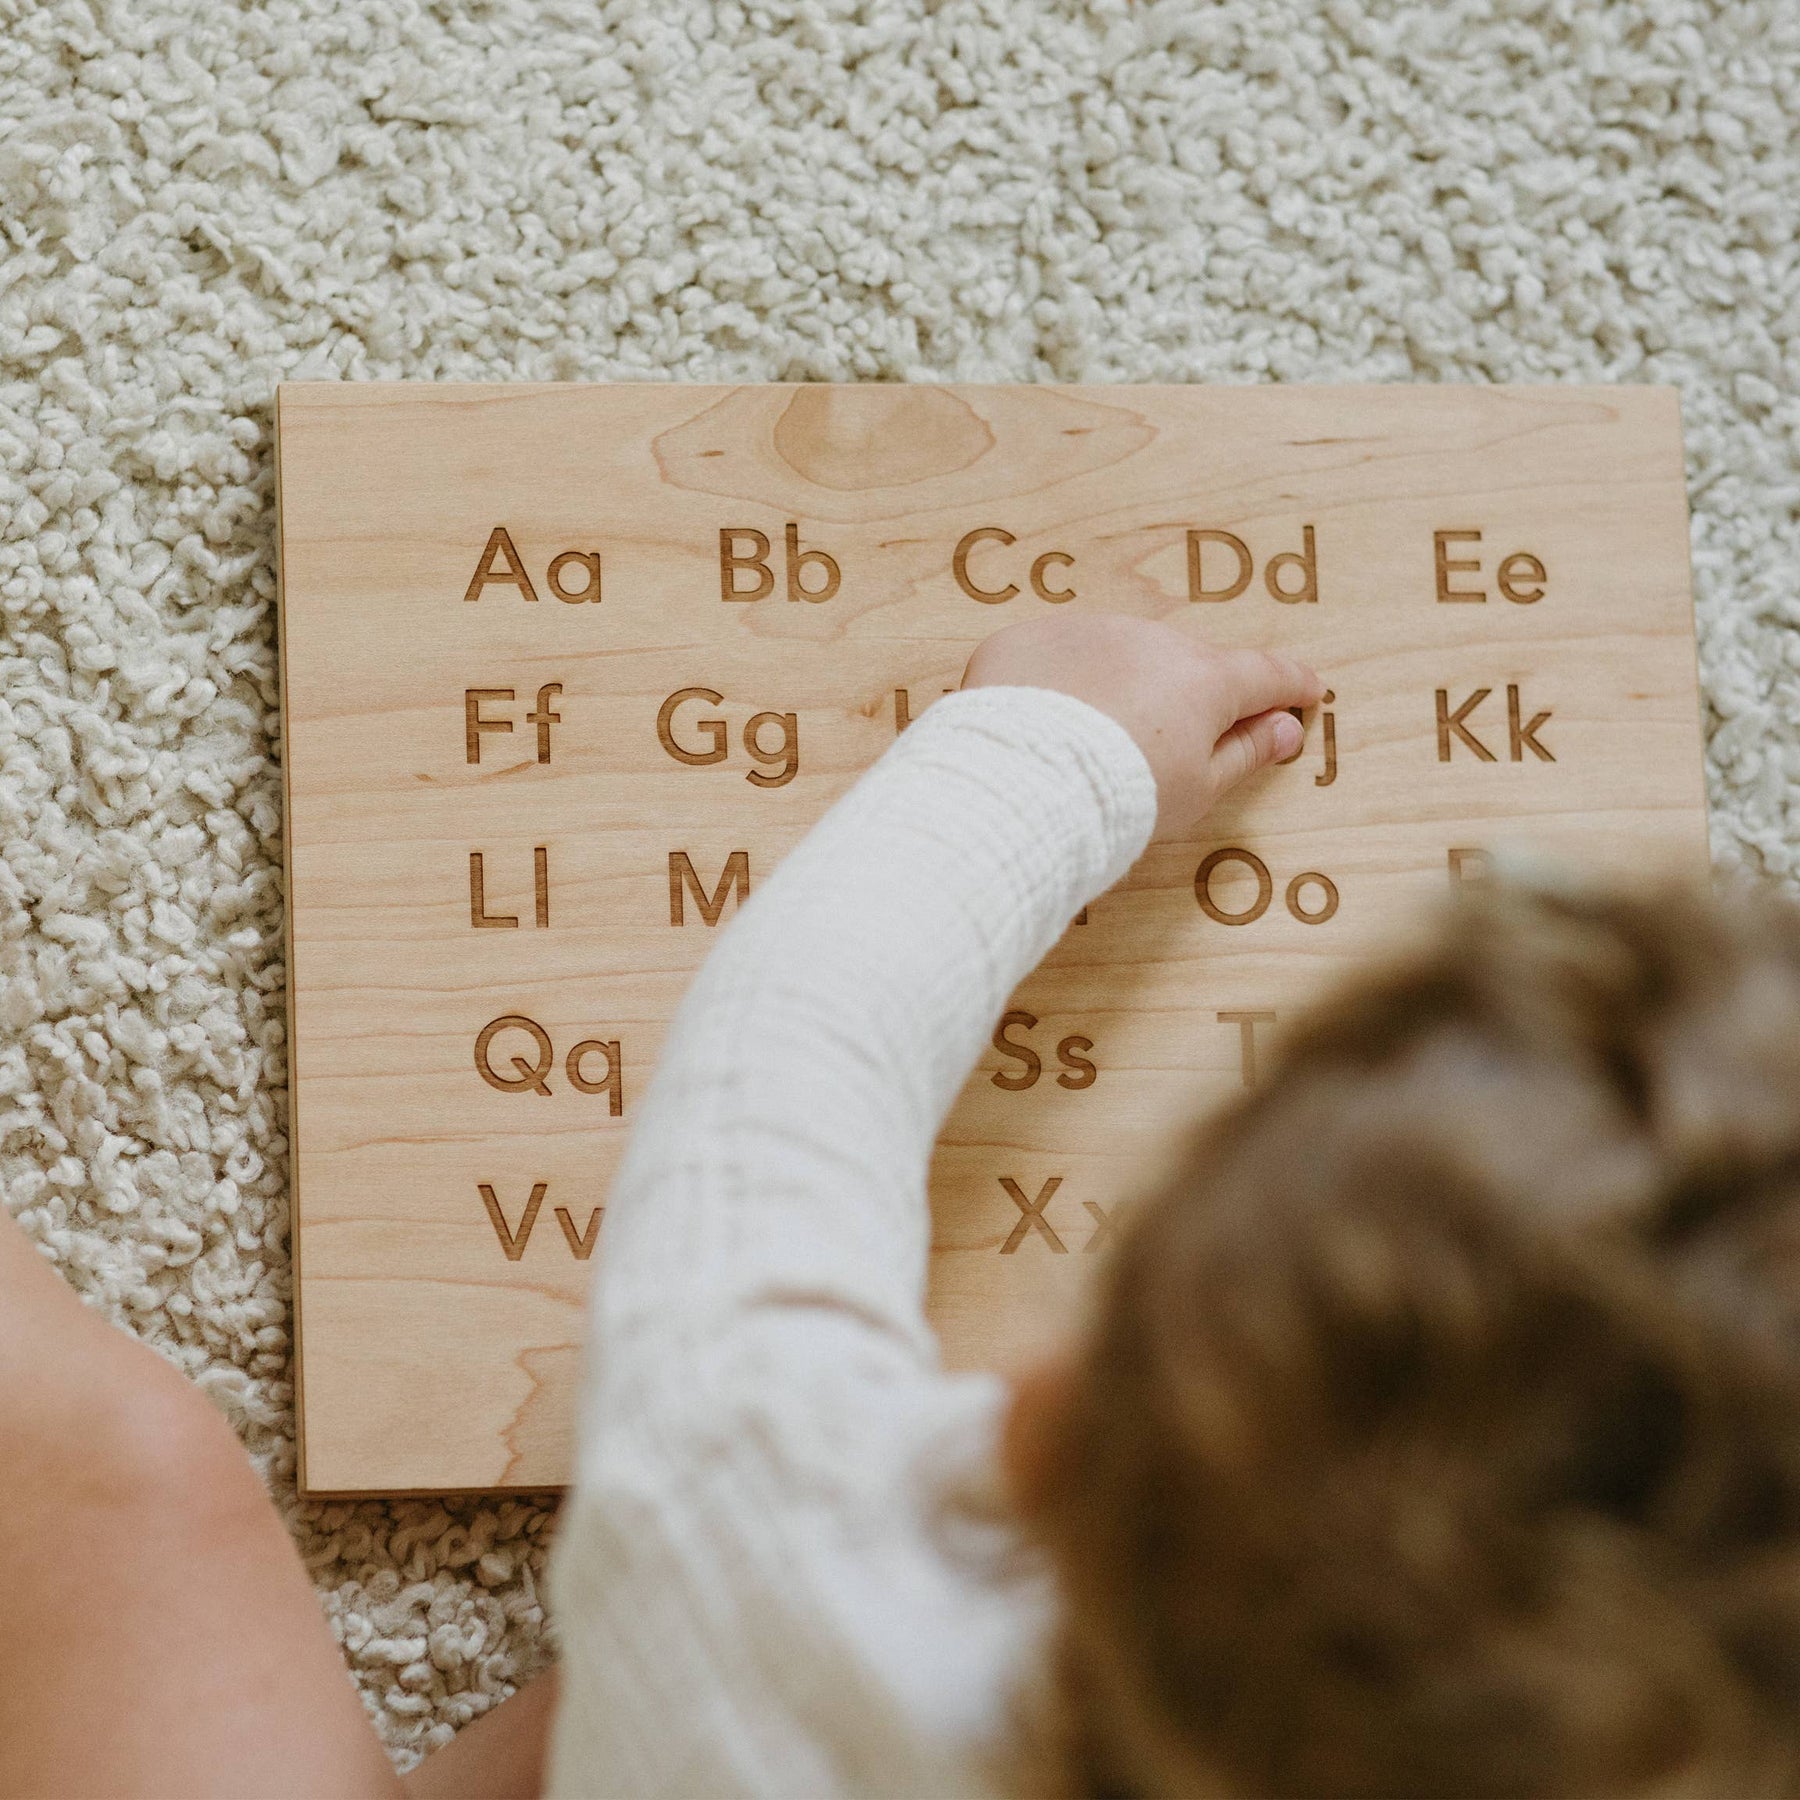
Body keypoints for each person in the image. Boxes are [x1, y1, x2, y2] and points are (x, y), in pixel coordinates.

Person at [2, 614, 1789, 1798]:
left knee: (118, 1484)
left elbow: (783, 1084)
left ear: (1032, 1432)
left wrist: (1052, 749)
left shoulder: (789, 1550)